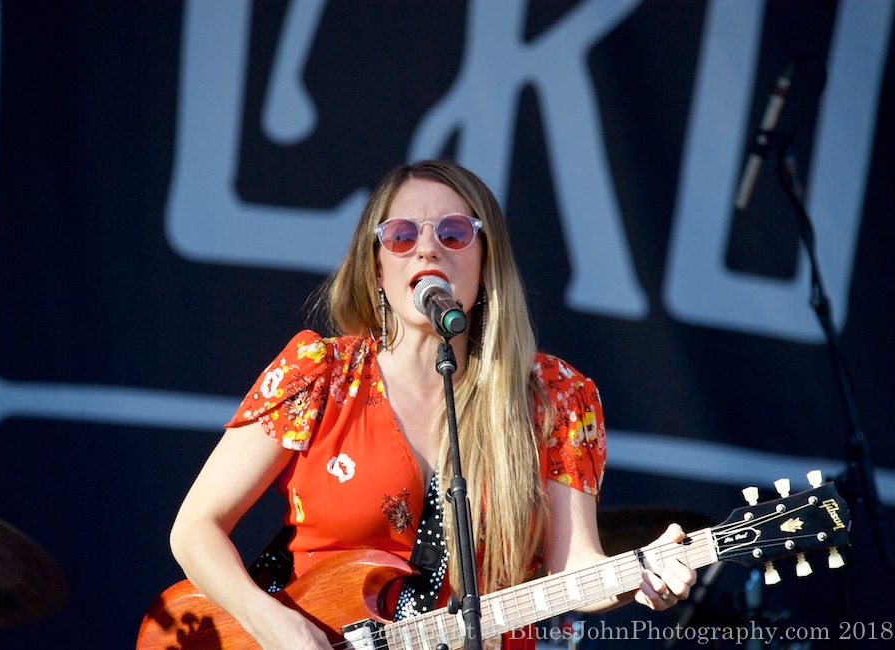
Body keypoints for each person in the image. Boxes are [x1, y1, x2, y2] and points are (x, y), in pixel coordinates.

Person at [169, 159, 696, 649]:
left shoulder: (553, 396)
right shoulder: (321, 373)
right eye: (400, 236)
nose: (426, 249)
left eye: (453, 233)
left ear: (486, 262)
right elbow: (195, 528)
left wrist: (638, 576)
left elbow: (574, 568)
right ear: (376, 268)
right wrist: (273, 621)